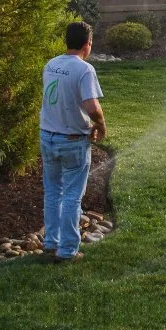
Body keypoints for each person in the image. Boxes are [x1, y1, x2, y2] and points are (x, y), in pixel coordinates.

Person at [39, 21, 106, 263]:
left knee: (53, 192)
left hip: (47, 136)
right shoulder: (84, 70)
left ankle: (51, 242)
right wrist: (101, 125)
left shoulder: (51, 65)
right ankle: (67, 251)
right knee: (71, 197)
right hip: (72, 140)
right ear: (87, 43)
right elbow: (92, 106)